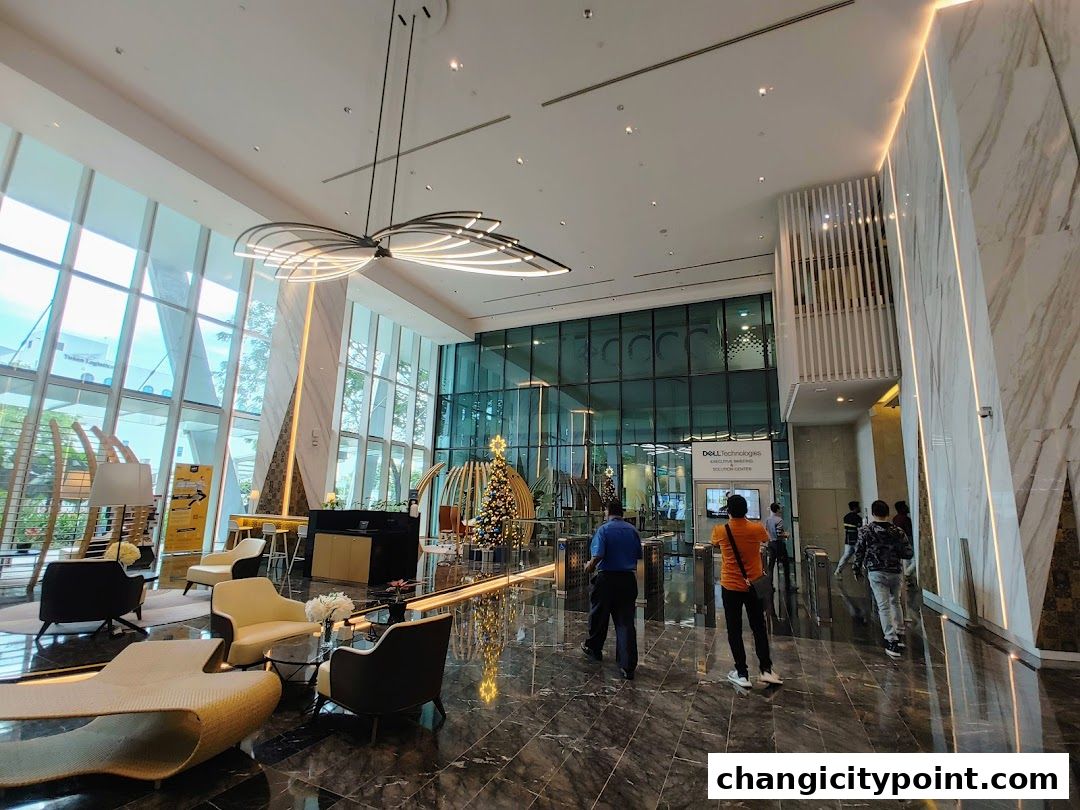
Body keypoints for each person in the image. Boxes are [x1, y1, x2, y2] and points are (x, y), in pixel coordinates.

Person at [711, 494, 783, 688]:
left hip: (731, 586)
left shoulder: (721, 530)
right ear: (746, 510)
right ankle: (766, 670)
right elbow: (765, 539)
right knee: (758, 626)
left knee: (734, 629)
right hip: (753, 585)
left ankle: (741, 672)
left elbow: (715, 543)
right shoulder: (756, 528)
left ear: (728, 511)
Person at [582, 500, 642, 679]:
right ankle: (627, 665)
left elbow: (598, 554)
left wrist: (589, 566)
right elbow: (638, 554)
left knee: (599, 615)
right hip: (627, 580)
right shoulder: (632, 530)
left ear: (607, 512)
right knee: (625, 622)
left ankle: (594, 648)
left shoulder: (604, 530)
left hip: (606, 579)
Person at [853, 500, 913, 659]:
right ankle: (899, 633)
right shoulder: (897, 531)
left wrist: (856, 568)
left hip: (876, 571)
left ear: (873, 513)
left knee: (883, 606)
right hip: (894, 571)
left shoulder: (866, 531)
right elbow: (908, 553)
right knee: (896, 602)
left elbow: (859, 550)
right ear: (888, 513)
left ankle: (891, 640)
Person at [763, 502, 790, 589]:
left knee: (771, 565)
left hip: (771, 543)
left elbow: (766, 531)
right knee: (785, 564)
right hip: (778, 544)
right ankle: (788, 585)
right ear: (777, 509)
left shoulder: (768, 519)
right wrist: (786, 535)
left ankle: (769, 584)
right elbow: (779, 533)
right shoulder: (779, 520)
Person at [834, 501, 862, 578]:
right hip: (856, 540)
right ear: (855, 508)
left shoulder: (846, 517)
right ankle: (857, 572)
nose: (859, 508)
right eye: (858, 507)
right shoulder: (858, 518)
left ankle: (838, 571)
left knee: (846, 556)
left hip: (848, 540)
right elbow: (859, 530)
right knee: (858, 556)